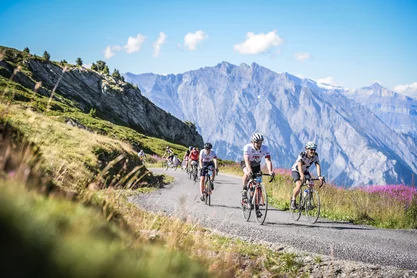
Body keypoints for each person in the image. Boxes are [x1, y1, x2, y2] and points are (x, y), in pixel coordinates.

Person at [241, 133, 275, 213]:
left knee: (258, 185)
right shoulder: (248, 147)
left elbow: (268, 160)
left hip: (256, 166)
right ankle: (244, 190)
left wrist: (270, 171)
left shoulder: (265, 148)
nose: (259, 144)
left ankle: (257, 207)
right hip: (246, 164)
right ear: (253, 142)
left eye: (260, 142)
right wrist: (249, 170)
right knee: (247, 174)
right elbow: (246, 160)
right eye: (257, 142)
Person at [290, 141, 324, 210]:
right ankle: (293, 200)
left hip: (305, 171)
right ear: (307, 149)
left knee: (310, 184)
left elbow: (317, 165)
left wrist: (319, 175)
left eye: (314, 150)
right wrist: (301, 175)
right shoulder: (302, 154)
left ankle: (308, 203)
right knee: (299, 185)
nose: (313, 151)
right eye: (311, 149)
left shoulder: (315, 156)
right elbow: (299, 166)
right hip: (296, 170)